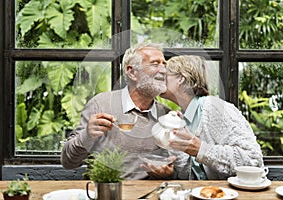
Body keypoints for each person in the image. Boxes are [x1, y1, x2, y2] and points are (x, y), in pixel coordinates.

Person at [61, 43, 189, 180]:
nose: (164, 70)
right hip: (107, 193)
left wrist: (169, 174)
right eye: (155, 64)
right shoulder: (100, 104)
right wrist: (87, 135)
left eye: (165, 64)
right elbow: (68, 162)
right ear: (132, 72)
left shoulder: (167, 116)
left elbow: (182, 171)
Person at [160, 55, 264, 180]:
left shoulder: (214, 107)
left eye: (164, 75)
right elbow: (192, 176)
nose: (159, 80)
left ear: (181, 79)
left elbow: (253, 159)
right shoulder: (184, 117)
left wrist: (200, 149)